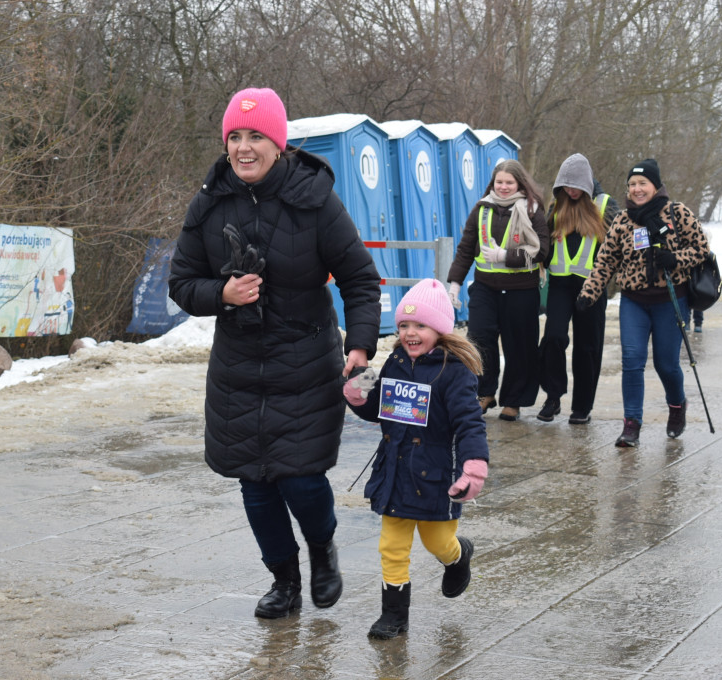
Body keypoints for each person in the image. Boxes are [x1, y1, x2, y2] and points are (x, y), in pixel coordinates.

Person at [168, 87, 382, 619]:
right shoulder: (210, 201)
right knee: (256, 483)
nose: (243, 148)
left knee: (302, 478)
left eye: (255, 136)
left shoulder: (315, 199)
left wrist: (359, 344)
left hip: (305, 364)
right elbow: (181, 282)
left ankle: (321, 549)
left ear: (278, 143)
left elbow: (359, 280)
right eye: (235, 137)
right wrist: (221, 294)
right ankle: (283, 581)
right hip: (237, 370)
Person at [342, 279, 489, 639]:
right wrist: (359, 393)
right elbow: (381, 411)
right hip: (395, 469)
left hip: (435, 476)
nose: (410, 333)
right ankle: (393, 616)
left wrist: (473, 468)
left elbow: (470, 424)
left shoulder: (454, 372)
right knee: (392, 546)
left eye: (420, 325)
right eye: (404, 325)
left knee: (437, 542)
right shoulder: (393, 362)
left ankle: (458, 556)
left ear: (439, 329)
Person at [576, 158, 710, 446]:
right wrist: (589, 293)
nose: (636, 189)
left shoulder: (677, 213)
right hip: (634, 302)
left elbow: (701, 249)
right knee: (632, 361)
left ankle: (677, 406)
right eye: (632, 185)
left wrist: (676, 258)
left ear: (655, 185)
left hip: (670, 301)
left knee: (666, 364)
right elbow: (605, 261)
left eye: (642, 184)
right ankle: (631, 423)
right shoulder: (623, 221)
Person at [447, 160, 550, 421]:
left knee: (519, 346)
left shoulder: (533, 210)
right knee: (479, 339)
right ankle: (484, 392)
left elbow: (542, 252)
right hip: (485, 288)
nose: (503, 187)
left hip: (521, 290)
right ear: (492, 183)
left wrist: (505, 255)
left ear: (520, 184)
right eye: (499, 182)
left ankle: (513, 400)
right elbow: (466, 248)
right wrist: (454, 285)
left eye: (509, 183)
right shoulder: (481, 209)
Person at [536, 154, 620, 425]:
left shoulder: (605, 205)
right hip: (560, 285)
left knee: (588, 348)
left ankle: (582, 407)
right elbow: (544, 244)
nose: (570, 191)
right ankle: (553, 396)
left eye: (575, 187)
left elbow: (620, 243)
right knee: (553, 338)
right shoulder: (557, 204)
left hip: (592, 287)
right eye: (565, 186)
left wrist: (613, 281)